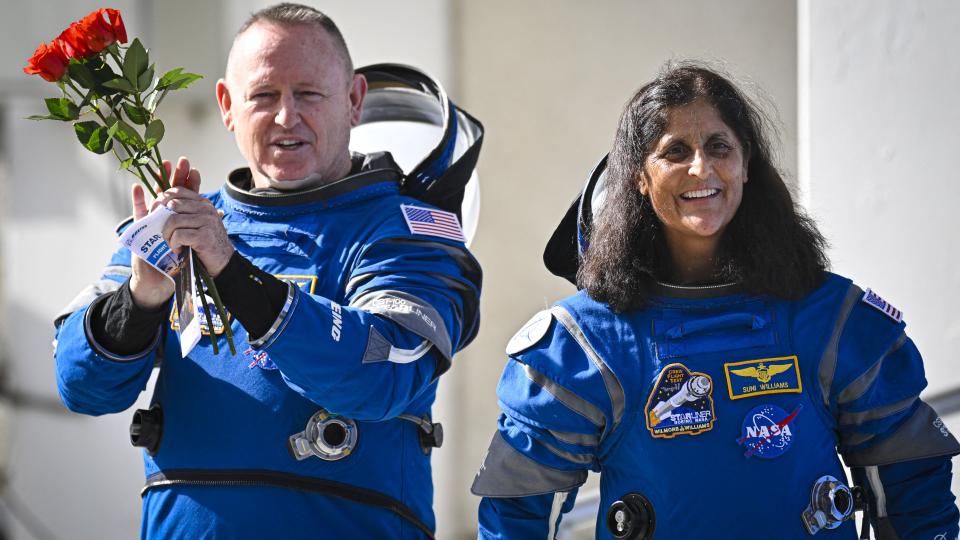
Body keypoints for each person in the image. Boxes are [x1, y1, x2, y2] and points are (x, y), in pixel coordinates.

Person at [472, 63, 959, 539]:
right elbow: (516, 519)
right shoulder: (584, 345)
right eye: (675, 151)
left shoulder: (834, 321)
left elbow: (918, 498)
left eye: (719, 147)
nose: (701, 168)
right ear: (639, 176)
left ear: (746, 165)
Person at [53, 4, 481, 539]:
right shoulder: (179, 226)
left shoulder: (407, 231)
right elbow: (82, 387)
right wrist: (141, 296)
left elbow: (381, 371)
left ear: (353, 101)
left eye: (308, 94)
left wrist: (232, 272)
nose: (285, 117)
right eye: (263, 96)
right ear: (228, 106)